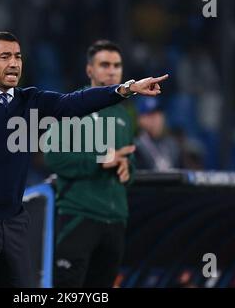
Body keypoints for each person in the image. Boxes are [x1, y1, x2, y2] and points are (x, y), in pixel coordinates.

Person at [0, 31, 169, 288]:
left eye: (18, 57)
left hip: (15, 221)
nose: (14, 63)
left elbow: (73, 103)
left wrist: (127, 89)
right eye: (5, 56)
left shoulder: (30, 101)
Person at [44, 40, 136, 288]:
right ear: (89, 71)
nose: (112, 70)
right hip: (79, 216)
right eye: (104, 64)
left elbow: (130, 163)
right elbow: (52, 154)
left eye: (117, 65)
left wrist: (127, 170)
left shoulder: (124, 116)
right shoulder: (76, 106)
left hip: (115, 220)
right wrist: (98, 160)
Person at [134, 97, 180, 171]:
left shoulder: (172, 144)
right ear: (140, 120)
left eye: (158, 114)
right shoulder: (136, 147)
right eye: (150, 115)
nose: (156, 119)